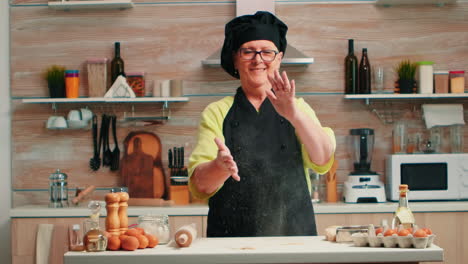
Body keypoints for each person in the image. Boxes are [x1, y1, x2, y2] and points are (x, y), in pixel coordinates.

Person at [188, 11, 336, 237]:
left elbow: (322, 160)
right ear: (235, 59)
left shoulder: (300, 108)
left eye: (267, 52)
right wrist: (219, 167)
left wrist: (294, 114)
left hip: (293, 239)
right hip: (230, 243)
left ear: (279, 58)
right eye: (248, 51)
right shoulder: (217, 112)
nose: (258, 59)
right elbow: (200, 186)